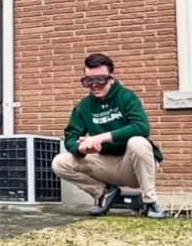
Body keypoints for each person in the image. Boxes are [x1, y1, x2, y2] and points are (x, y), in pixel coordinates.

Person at [52, 53, 166, 218]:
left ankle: (150, 203)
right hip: (104, 164)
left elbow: (142, 127)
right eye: (89, 80)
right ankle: (104, 193)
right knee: (60, 162)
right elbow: (71, 137)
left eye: (100, 79)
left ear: (111, 78)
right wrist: (82, 148)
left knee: (138, 142)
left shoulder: (126, 97)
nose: (94, 85)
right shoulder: (83, 107)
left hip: (133, 166)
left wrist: (100, 137)